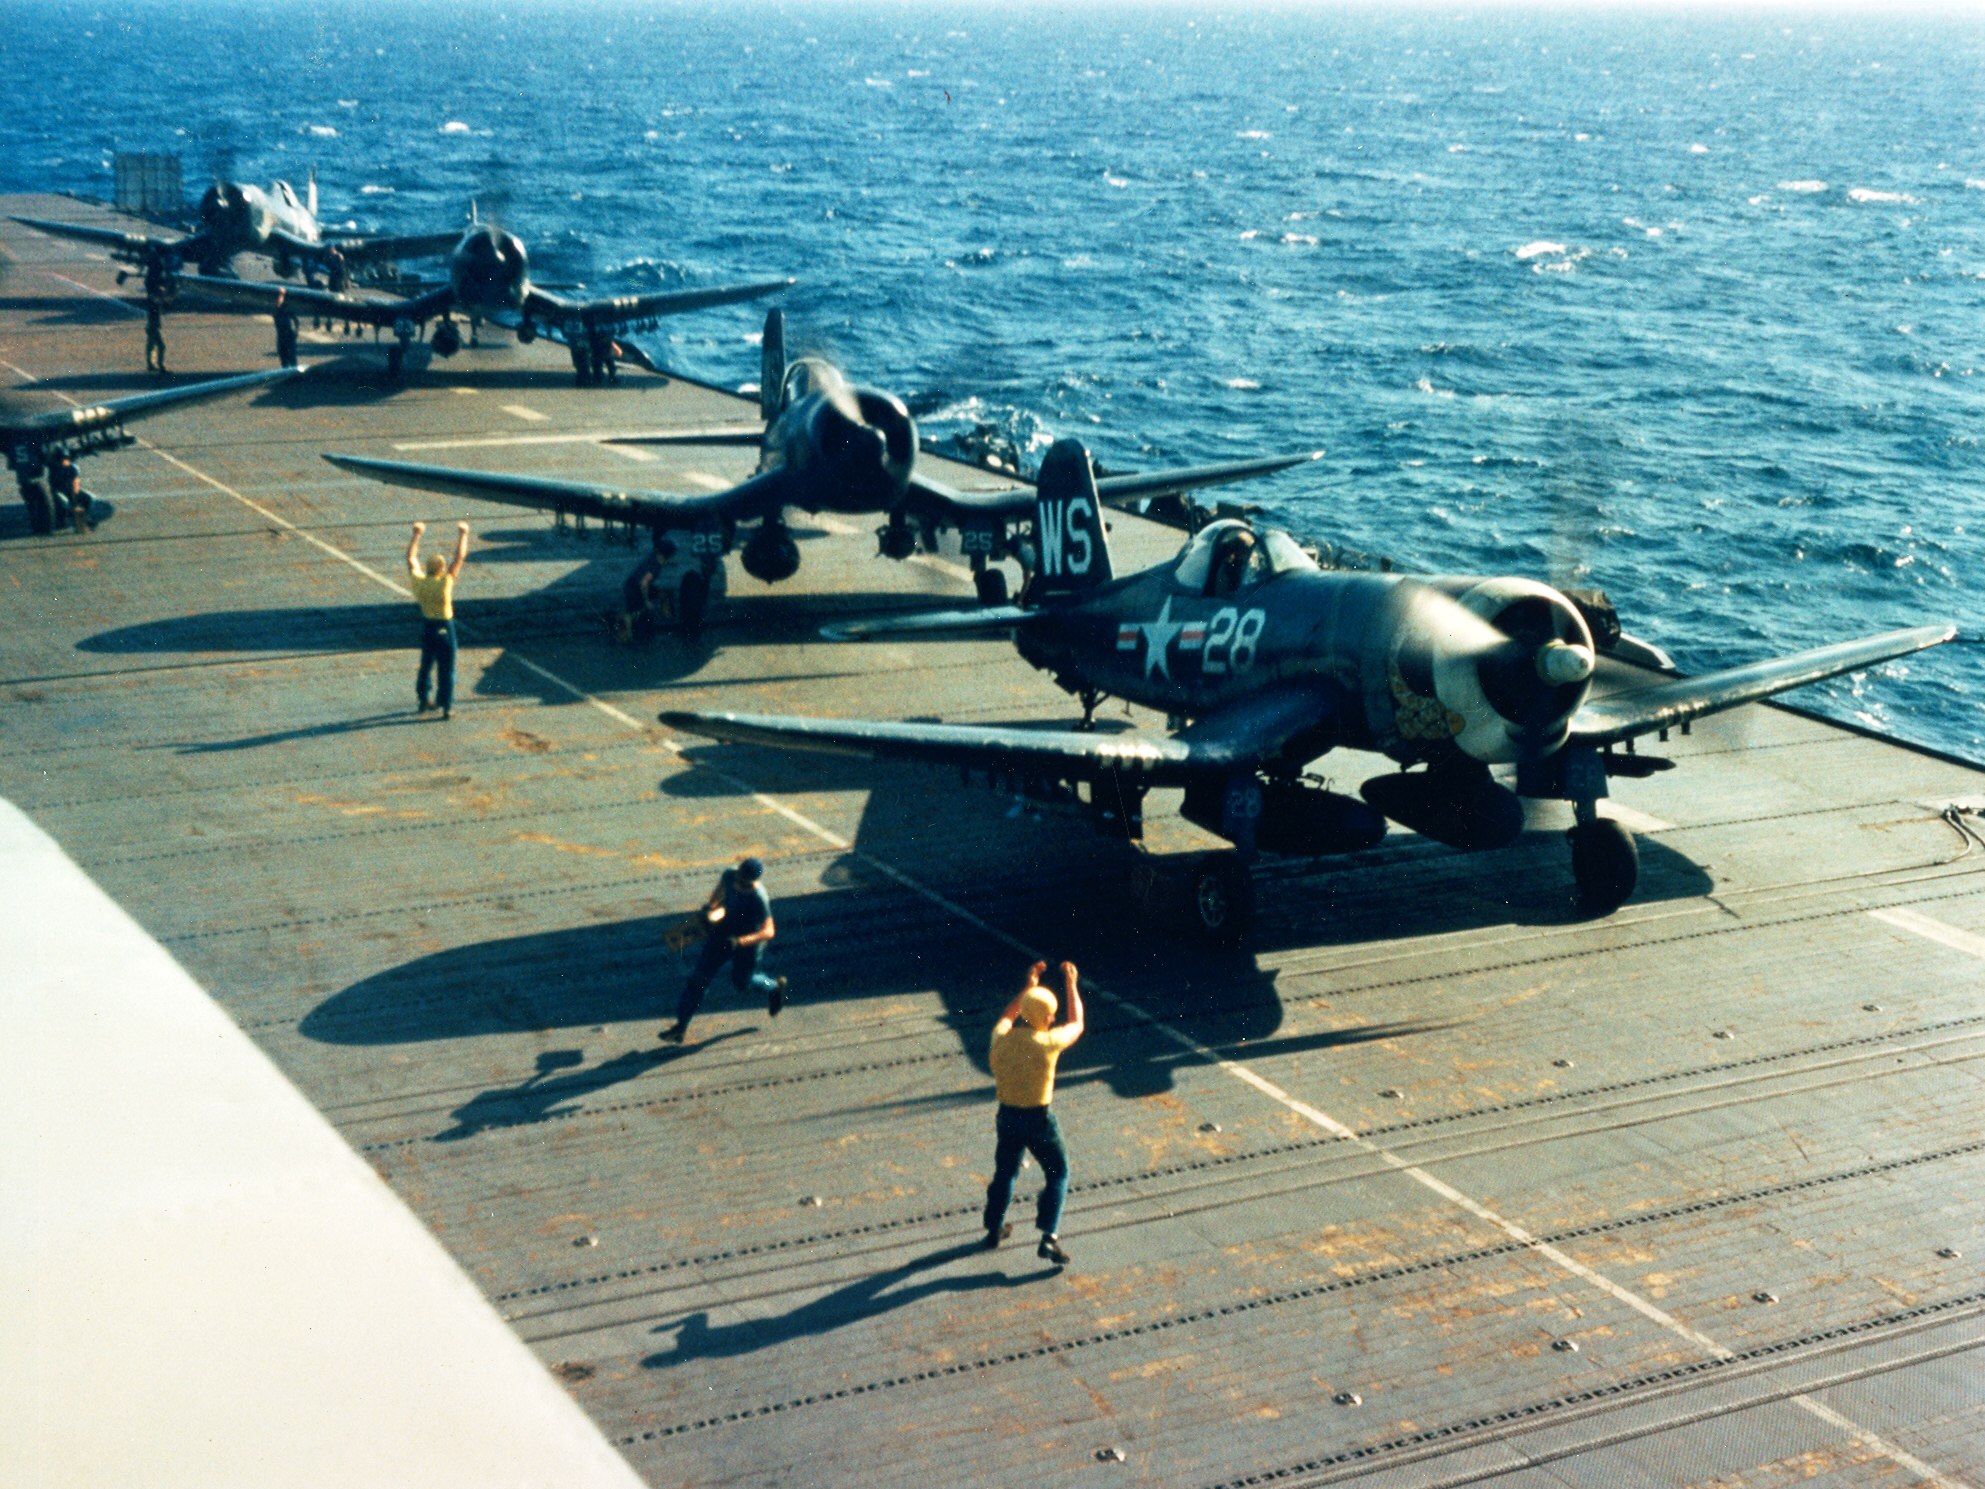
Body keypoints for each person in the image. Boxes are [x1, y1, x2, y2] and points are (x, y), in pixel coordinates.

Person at [983, 960, 1084, 1265]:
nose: (1054, 1018)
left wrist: (1030, 986)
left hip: (1008, 1117)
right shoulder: (1048, 1043)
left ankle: (994, 1227)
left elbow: (1007, 1015)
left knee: (1006, 1172)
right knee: (1058, 1173)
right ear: (1045, 1018)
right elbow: (1077, 1023)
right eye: (1051, 1014)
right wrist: (1070, 984)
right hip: (1039, 1120)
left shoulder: (1000, 1039)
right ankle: (1049, 1238)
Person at [662, 857, 786, 1043]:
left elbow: (769, 931)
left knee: (743, 982)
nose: (738, 884)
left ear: (753, 881)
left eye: (744, 882)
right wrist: (710, 908)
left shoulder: (758, 898)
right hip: (722, 935)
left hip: (747, 944)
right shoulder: (730, 875)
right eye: (738, 878)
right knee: (698, 980)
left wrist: (740, 941)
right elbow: (719, 892)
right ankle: (680, 1027)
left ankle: (774, 987)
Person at [406, 520, 469, 718]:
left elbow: (410, 559)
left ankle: (423, 699)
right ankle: (447, 707)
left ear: (428, 568)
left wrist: (416, 534)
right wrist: (463, 534)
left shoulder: (420, 583)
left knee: (426, 665)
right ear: (441, 569)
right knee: (447, 668)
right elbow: (459, 558)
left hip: (428, 626)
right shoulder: (445, 582)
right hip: (445, 626)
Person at [46, 451, 93, 533]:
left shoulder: (72, 468)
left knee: (88, 498)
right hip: (58, 491)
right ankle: (60, 520)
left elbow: (75, 485)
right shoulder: (54, 467)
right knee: (62, 502)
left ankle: (86, 516)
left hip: (69, 489)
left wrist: (75, 500)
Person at [273, 289, 299, 368]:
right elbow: (296, 321)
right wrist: (296, 331)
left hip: (284, 337)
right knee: (291, 360)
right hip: (287, 337)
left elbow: (296, 321)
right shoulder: (284, 313)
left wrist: (282, 294)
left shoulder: (277, 314)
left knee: (286, 360)